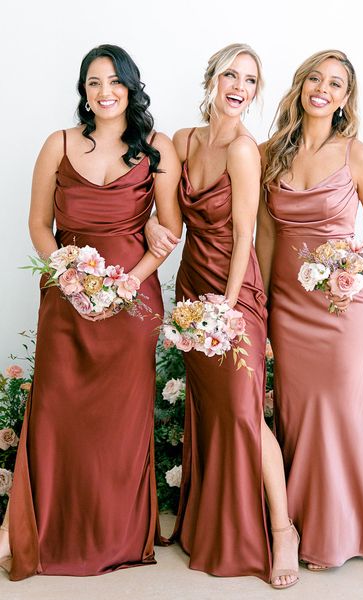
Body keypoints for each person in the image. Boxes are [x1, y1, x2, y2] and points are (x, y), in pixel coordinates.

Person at [0, 44, 181, 580]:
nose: (104, 92)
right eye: (93, 82)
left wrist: (129, 280)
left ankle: (115, 535)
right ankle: (44, 532)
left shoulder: (156, 146)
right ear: (83, 91)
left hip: (133, 299)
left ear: (130, 86)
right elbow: (38, 224)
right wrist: (69, 275)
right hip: (66, 295)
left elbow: (169, 231)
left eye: (114, 81)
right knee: (57, 416)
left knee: (118, 427)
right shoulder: (57, 143)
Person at [145, 43, 299, 589]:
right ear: (211, 79)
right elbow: (167, 213)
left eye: (251, 79)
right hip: (192, 289)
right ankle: (207, 525)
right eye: (231, 74)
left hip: (233, 295)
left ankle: (282, 531)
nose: (240, 85)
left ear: (255, 92)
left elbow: (245, 236)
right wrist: (147, 229)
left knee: (243, 411)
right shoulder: (185, 141)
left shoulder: (243, 150)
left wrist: (229, 306)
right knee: (210, 411)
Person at [256, 49, 363, 570]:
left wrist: (355, 270)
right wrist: (262, 307)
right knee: (299, 412)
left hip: (344, 305)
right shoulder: (270, 154)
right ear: (300, 85)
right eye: (315, 78)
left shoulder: (358, 155)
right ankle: (303, 524)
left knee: (338, 410)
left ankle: (345, 531)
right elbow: (265, 236)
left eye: (335, 83)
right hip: (289, 306)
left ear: (345, 99)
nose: (323, 89)